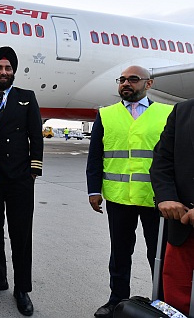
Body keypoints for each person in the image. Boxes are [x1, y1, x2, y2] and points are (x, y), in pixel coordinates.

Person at [86, 65, 173, 318]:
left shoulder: (167, 113)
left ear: (149, 84)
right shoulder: (106, 114)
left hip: (156, 199)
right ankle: (117, 301)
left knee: (157, 256)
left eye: (133, 79)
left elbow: (174, 157)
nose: (126, 83)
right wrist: (94, 190)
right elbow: (95, 157)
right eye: (122, 79)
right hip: (119, 198)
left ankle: (163, 302)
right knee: (120, 254)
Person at [0, 47, 43, 316]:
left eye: (8, 69)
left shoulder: (26, 98)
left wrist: (34, 170)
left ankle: (22, 288)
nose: (3, 73)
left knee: (21, 234)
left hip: (19, 178)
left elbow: (36, 136)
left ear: (13, 72)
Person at [150, 98, 194, 316]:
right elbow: (162, 159)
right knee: (176, 301)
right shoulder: (183, 111)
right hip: (182, 227)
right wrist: (165, 197)